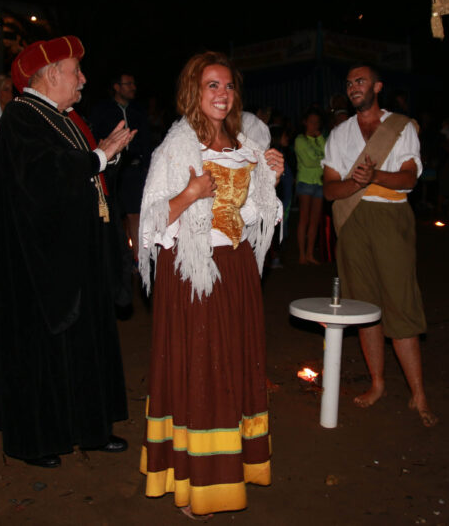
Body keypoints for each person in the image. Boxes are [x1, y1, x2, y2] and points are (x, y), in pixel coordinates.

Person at [138, 51, 283, 517]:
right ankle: (196, 481)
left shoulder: (245, 143)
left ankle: (230, 467)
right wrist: (190, 193)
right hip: (195, 275)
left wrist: (269, 177)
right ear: (193, 94)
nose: (222, 94)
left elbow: (254, 215)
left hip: (236, 270)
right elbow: (148, 224)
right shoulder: (176, 149)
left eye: (227, 86)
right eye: (212, 86)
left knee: (234, 366)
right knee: (201, 369)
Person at [0, 36, 132, 468]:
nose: (83, 79)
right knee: (43, 350)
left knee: (86, 342)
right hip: (39, 262)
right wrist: (97, 158)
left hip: (77, 253)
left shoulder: (63, 116)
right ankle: (35, 440)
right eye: (76, 71)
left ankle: (91, 428)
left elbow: (89, 173)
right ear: (52, 74)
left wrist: (103, 157)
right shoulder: (20, 117)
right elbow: (43, 175)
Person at [322, 65, 436, 427]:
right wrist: (357, 185)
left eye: (360, 81)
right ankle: (378, 383)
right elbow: (329, 189)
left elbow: (409, 178)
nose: (354, 87)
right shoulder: (339, 135)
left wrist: (374, 177)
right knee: (364, 303)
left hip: (391, 218)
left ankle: (418, 392)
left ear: (377, 86)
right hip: (353, 222)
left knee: (400, 302)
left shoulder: (401, 127)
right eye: (349, 82)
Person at [89, 72, 152, 263]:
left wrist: (148, 167)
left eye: (134, 83)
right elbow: (94, 139)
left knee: (136, 214)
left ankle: (138, 259)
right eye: (128, 83)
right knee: (115, 214)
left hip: (135, 170)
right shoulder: (102, 110)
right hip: (110, 172)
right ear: (117, 87)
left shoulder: (138, 111)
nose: (133, 87)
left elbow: (147, 141)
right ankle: (121, 256)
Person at [294, 107, 325, 264]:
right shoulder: (300, 139)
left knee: (315, 220)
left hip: (319, 182)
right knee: (304, 218)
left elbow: (329, 154)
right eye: (312, 122)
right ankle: (301, 254)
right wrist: (322, 161)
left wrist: (319, 138)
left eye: (317, 123)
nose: (315, 125)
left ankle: (310, 254)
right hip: (305, 182)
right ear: (305, 122)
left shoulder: (319, 139)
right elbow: (309, 161)